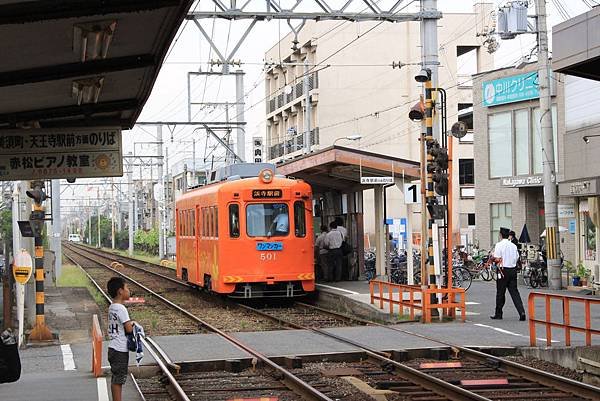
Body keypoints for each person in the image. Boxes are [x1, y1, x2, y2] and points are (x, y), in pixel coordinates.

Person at [107, 277, 135, 401]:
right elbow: (128, 329)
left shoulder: (112, 307)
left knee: (116, 378)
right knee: (119, 379)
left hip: (113, 347)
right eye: (127, 288)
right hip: (120, 349)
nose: (128, 291)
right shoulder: (121, 308)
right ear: (120, 291)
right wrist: (133, 324)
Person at [490, 228, 526, 321]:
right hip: (512, 270)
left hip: (503, 270)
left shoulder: (499, 245)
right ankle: (521, 312)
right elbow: (517, 257)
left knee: (500, 293)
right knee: (515, 292)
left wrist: (493, 258)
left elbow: (497, 258)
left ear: (501, 235)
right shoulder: (513, 246)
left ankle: (498, 313)